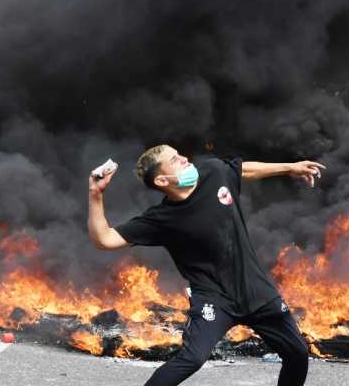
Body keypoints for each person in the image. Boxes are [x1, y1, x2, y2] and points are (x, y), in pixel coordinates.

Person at [87, 145, 319, 386]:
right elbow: (104, 239)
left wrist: (290, 168)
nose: (184, 158)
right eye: (174, 160)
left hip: (255, 290)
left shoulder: (214, 172)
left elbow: (242, 170)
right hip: (213, 300)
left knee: (297, 353)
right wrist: (96, 193)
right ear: (162, 180)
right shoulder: (161, 218)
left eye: (180, 154)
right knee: (192, 359)